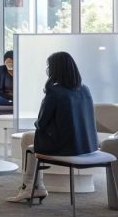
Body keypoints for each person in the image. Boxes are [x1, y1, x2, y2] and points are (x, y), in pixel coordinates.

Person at [7, 52, 99, 203]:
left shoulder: (55, 91)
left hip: (66, 147)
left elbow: (41, 123)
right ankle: (36, 186)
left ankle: (30, 186)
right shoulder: (84, 89)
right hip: (87, 145)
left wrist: (40, 124)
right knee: (32, 141)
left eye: (49, 66)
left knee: (27, 139)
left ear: (55, 69)